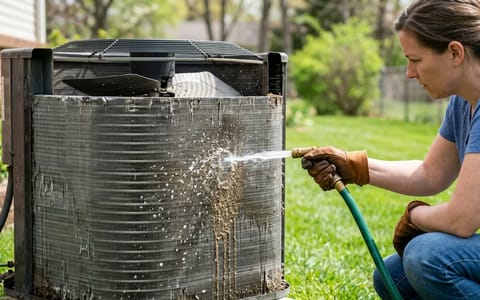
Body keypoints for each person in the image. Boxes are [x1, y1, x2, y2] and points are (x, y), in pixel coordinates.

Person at [300, 0, 480, 299]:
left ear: (454, 53)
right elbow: (430, 173)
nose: (409, 73)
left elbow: (461, 220)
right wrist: (354, 165)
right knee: (392, 277)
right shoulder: (463, 102)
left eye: (416, 60)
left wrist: (415, 216)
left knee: (426, 257)